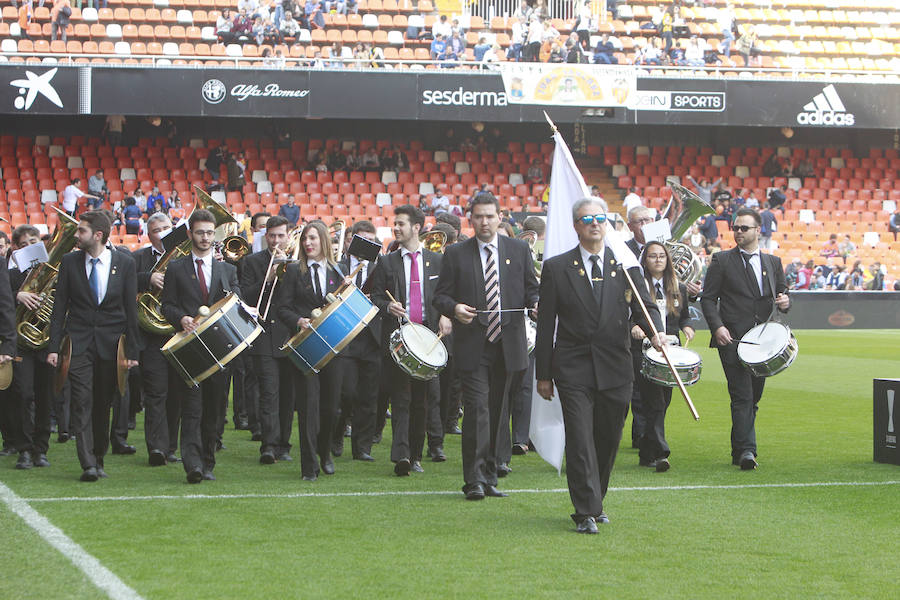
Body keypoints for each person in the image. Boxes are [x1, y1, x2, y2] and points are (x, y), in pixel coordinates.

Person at [535, 197, 663, 534]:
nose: (594, 223)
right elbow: (547, 324)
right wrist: (544, 375)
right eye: (587, 218)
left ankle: (597, 499)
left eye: (600, 218)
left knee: (608, 438)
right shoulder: (557, 268)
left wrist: (658, 334)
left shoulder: (626, 266)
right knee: (579, 438)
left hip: (616, 367)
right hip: (573, 367)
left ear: (606, 223)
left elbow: (645, 309)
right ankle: (585, 510)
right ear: (576, 226)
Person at [434, 192, 539, 500]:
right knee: (478, 410)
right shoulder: (455, 254)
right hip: (473, 344)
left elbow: (531, 290)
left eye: (489, 216)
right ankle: (474, 480)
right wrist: (454, 309)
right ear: (471, 219)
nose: (484, 221)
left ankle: (491, 474)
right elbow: (439, 296)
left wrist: (535, 304)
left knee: (497, 411)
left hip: (509, 345)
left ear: (500, 217)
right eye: (478, 216)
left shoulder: (519, 250)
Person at [47, 211, 140, 482]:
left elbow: (130, 310)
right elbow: (59, 308)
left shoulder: (124, 263)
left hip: (112, 345)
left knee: (103, 403)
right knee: (81, 400)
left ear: (98, 235)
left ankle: (99, 457)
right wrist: (54, 347)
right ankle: (87, 462)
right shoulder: (69, 262)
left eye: (81, 231)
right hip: (79, 343)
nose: (76, 236)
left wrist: (132, 352)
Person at [701, 208, 791, 470]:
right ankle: (747, 452)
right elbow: (708, 299)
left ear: (758, 231)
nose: (738, 232)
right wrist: (717, 327)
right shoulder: (722, 260)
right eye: (736, 228)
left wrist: (786, 302)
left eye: (744, 228)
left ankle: (738, 447)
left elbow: (782, 296)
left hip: (764, 342)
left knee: (753, 397)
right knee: (741, 394)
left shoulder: (773, 262)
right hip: (732, 339)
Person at [160, 209, 242, 483]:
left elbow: (235, 303)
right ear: (189, 234)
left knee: (215, 410)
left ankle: (208, 461)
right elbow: (166, 305)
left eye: (209, 232)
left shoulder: (227, 269)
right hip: (189, 350)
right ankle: (192, 464)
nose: (205, 238)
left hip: (219, 350)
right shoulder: (175, 268)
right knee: (192, 408)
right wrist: (180, 318)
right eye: (200, 232)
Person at [371, 207, 451, 475]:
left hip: (428, 338)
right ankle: (401, 455)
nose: (396, 228)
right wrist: (387, 308)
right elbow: (376, 297)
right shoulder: (386, 262)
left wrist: (445, 316)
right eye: (395, 223)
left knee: (422, 400)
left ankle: (416, 454)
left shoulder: (437, 261)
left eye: (401, 223)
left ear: (417, 227)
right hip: (399, 338)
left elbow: (444, 295)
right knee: (401, 398)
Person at [276, 221, 346, 480]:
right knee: (307, 407)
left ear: (324, 241)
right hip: (305, 347)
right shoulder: (294, 271)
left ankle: (324, 451)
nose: (308, 243)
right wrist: (298, 321)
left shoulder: (339, 271)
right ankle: (309, 467)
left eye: (313, 238)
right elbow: (282, 308)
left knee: (331, 409)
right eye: (305, 239)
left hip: (333, 347)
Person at [631, 241, 694, 472]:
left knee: (662, 402)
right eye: (652, 256)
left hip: (670, 350)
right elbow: (630, 315)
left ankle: (646, 452)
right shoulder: (637, 287)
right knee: (653, 400)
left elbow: (684, 317)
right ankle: (660, 452)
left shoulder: (679, 288)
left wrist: (688, 327)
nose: (658, 260)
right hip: (644, 350)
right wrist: (634, 327)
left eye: (661, 256)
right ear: (644, 260)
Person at [240, 215, 296, 465]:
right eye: (271, 236)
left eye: (280, 236)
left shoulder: (296, 264)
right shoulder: (252, 262)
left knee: (288, 395)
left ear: (288, 236)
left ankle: (284, 443)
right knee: (268, 393)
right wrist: (269, 278)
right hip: (263, 336)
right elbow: (246, 298)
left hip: (289, 336)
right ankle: (269, 445)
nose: (275, 241)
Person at [133, 213, 181, 466]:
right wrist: (147, 278)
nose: (162, 233)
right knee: (155, 393)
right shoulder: (138, 258)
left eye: (166, 228)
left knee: (176, 394)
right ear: (148, 234)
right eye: (156, 230)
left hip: (180, 334)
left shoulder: (185, 257)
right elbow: (123, 283)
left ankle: (171, 446)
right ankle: (156, 448)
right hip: (152, 337)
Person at [333, 220, 382, 463]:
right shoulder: (337, 267)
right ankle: (336, 435)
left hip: (373, 338)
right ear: (350, 240)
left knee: (369, 396)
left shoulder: (381, 267)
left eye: (371, 241)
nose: (366, 245)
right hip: (345, 335)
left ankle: (362, 448)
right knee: (345, 393)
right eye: (361, 239)